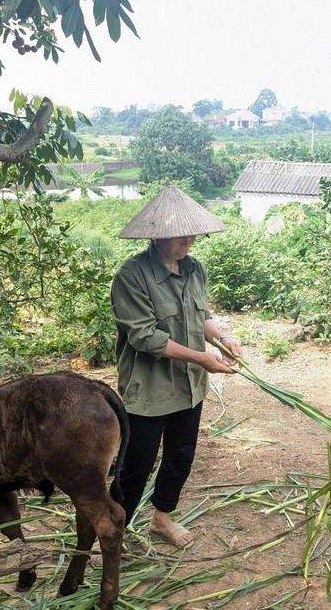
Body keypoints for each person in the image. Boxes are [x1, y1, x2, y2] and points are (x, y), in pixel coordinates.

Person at [110, 185, 243, 548]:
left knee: (180, 457)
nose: (190, 240)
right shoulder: (132, 275)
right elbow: (144, 337)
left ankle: (161, 518)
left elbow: (201, 317)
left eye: (193, 233)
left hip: (190, 387)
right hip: (149, 392)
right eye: (181, 235)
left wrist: (222, 339)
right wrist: (202, 358)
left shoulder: (193, 268)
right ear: (157, 235)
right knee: (136, 466)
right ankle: (112, 534)